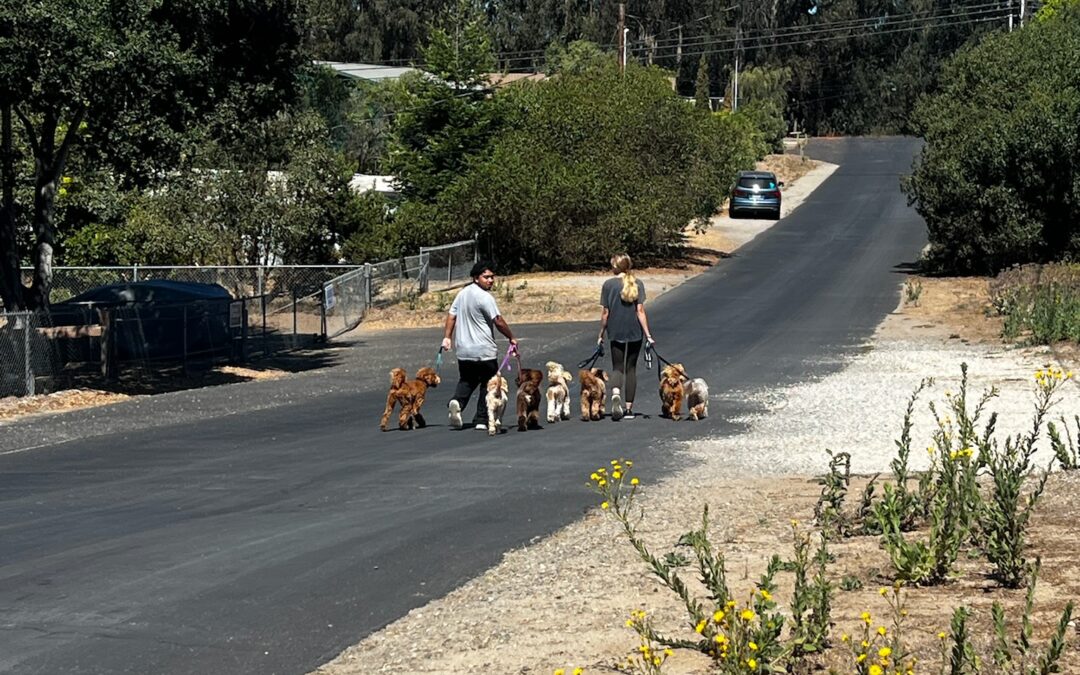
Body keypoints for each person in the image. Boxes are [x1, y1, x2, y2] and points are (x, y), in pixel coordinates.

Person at [442, 261, 518, 430]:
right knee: (488, 382)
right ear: (476, 278)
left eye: (492, 277)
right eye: (486, 277)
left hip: (464, 349)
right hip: (484, 349)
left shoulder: (462, 294)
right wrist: (511, 337)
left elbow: (451, 315)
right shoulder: (485, 297)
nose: (490, 280)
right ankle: (482, 419)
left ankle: (457, 402)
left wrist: (447, 337)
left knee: (467, 380)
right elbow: (498, 320)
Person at [597, 253, 654, 421]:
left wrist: (600, 334)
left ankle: (616, 393)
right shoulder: (638, 284)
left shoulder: (608, 285)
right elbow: (640, 311)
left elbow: (605, 314)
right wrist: (648, 335)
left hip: (615, 330)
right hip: (634, 330)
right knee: (631, 369)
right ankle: (629, 409)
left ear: (616, 266)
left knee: (617, 367)